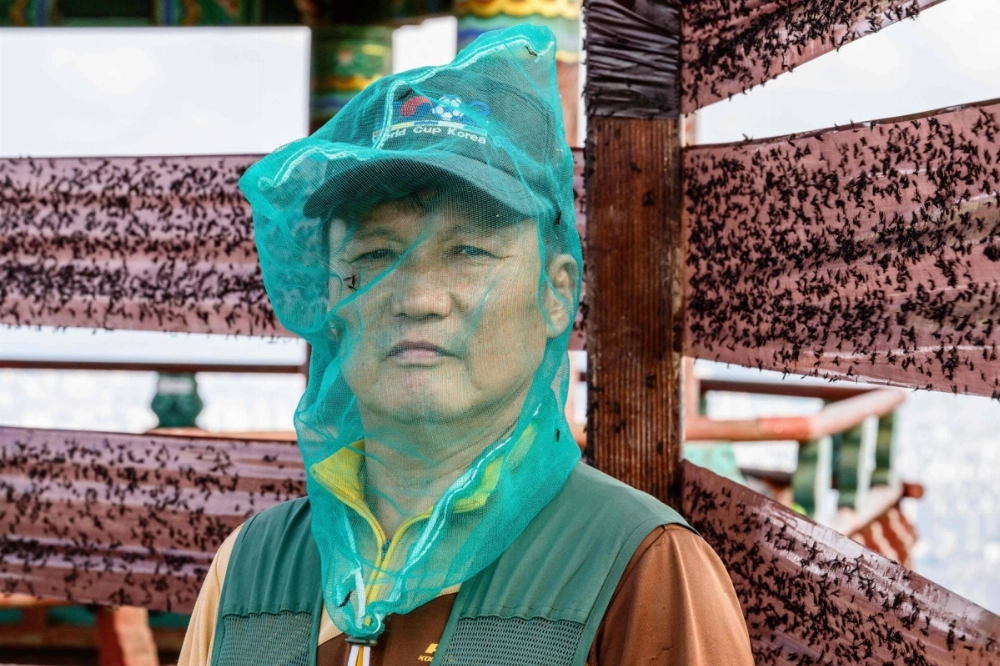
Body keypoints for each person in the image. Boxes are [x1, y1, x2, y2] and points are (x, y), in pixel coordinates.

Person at [179, 24, 755, 666]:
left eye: (469, 251)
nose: (418, 297)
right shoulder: (252, 570)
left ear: (556, 293)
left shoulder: (635, 566)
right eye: (375, 255)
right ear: (333, 303)